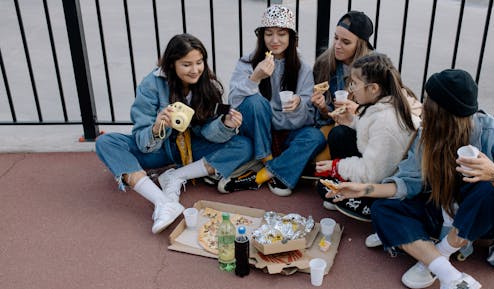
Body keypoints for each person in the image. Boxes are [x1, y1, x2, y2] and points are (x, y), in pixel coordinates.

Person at [326, 69, 494, 289]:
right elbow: (408, 182)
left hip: (481, 220)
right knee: (383, 208)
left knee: (487, 188)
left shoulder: (492, 134)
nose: (423, 110)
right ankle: (449, 275)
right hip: (443, 210)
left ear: (446, 115)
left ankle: (435, 254)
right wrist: (362, 190)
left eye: (429, 105)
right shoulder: (427, 134)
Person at [96, 33, 252, 234]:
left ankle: (176, 176)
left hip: (191, 148)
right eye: (186, 64)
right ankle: (161, 201)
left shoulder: (207, 85)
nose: (195, 70)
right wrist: (157, 127)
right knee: (106, 142)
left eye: (199, 62)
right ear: (171, 64)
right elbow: (142, 140)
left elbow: (208, 132)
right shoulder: (151, 85)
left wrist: (225, 125)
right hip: (158, 150)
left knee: (244, 145)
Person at [219, 4, 326, 197]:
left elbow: (309, 116)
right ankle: (270, 161)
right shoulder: (248, 62)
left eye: (282, 34)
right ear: (261, 36)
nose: (275, 40)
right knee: (256, 102)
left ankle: (261, 174)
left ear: (292, 37)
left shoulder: (303, 68)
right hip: (257, 131)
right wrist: (255, 78)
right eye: (269, 34)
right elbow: (234, 101)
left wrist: (299, 103)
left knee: (315, 137)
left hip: (289, 131)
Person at [315, 52, 421, 226]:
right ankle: (351, 195)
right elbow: (372, 134)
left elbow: (373, 173)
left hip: (389, 184)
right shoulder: (387, 104)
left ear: (373, 88)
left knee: (324, 186)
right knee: (340, 133)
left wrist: (336, 167)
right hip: (386, 169)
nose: (351, 89)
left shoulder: (385, 122)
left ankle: (368, 207)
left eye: (354, 84)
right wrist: (351, 121)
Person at [311, 10, 374, 126]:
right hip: (333, 128)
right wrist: (323, 108)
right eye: (336, 38)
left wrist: (357, 110)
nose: (337, 45)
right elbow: (326, 117)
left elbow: (379, 115)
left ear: (359, 46)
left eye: (346, 42)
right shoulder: (324, 64)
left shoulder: (373, 69)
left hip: (360, 128)